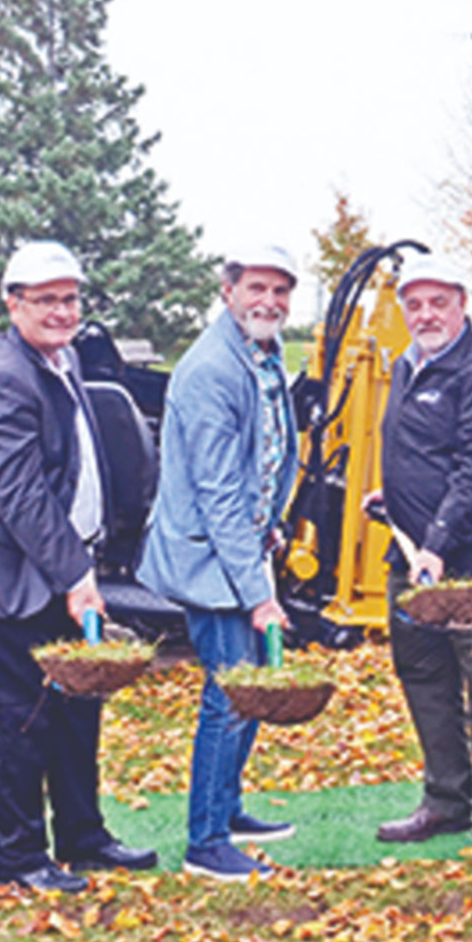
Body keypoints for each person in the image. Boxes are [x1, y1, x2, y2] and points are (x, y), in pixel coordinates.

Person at [0, 240, 157, 893]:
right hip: (11, 584)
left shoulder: (57, 362)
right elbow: (21, 497)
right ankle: (20, 861)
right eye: (46, 300)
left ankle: (83, 837)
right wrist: (76, 577)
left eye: (70, 299)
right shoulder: (6, 378)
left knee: (74, 711)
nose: (62, 312)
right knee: (22, 722)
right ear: (13, 304)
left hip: (59, 570)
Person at [366, 253, 472, 863]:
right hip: (413, 557)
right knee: (424, 676)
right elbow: (430, 455)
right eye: (414, 304)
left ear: (462, 303)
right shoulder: (409, 367)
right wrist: (395, 496)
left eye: (438, 302)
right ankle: (445, 799)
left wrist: (437, 544)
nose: (426, 313)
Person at [138, 244, 300, 881]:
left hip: (244, 544)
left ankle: (228, 810)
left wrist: (275, 523)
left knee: (249, 685)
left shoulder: (263, 353)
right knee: (230, 695)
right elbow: (217, 492)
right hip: (210, 557)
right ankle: (205, 844)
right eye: (257, 287)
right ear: (227, 291)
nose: (270, 302)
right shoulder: (210, 370)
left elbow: (266, 453)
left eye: (281, 291)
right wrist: (259, 591)